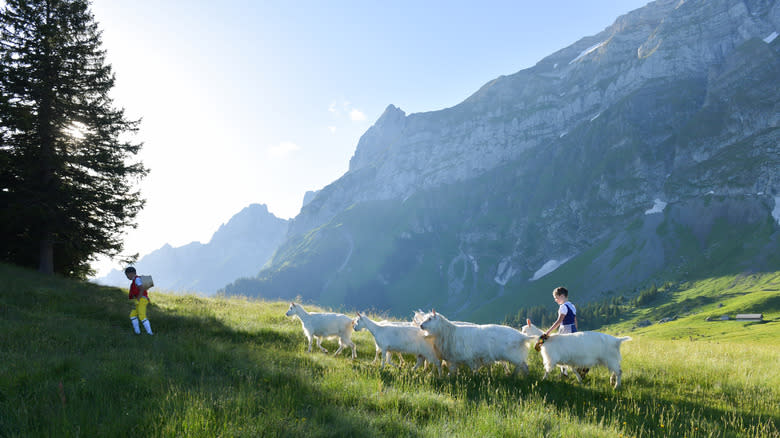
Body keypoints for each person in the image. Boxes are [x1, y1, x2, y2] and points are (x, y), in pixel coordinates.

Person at [125, 266, 153, 335]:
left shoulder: (137, 280)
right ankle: (137, 333)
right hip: (139, 299)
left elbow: (142, 289)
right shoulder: (135, 280)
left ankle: (150, 333)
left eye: (127, 275)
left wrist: (138, 299)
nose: (127, 276)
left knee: (142, 315)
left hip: (142, 299)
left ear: (131, 273)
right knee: (133, 315)